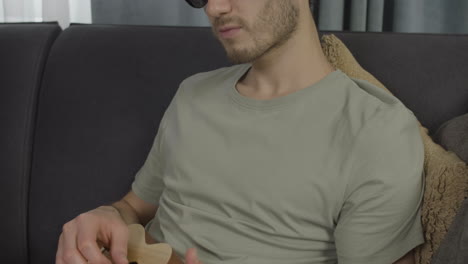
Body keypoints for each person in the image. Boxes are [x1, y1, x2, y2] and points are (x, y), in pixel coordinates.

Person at [55, 0, 425, 263]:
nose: (214, 8)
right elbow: (132, 207)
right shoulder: (192, 94)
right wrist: (105, 215)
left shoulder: (377, 132)